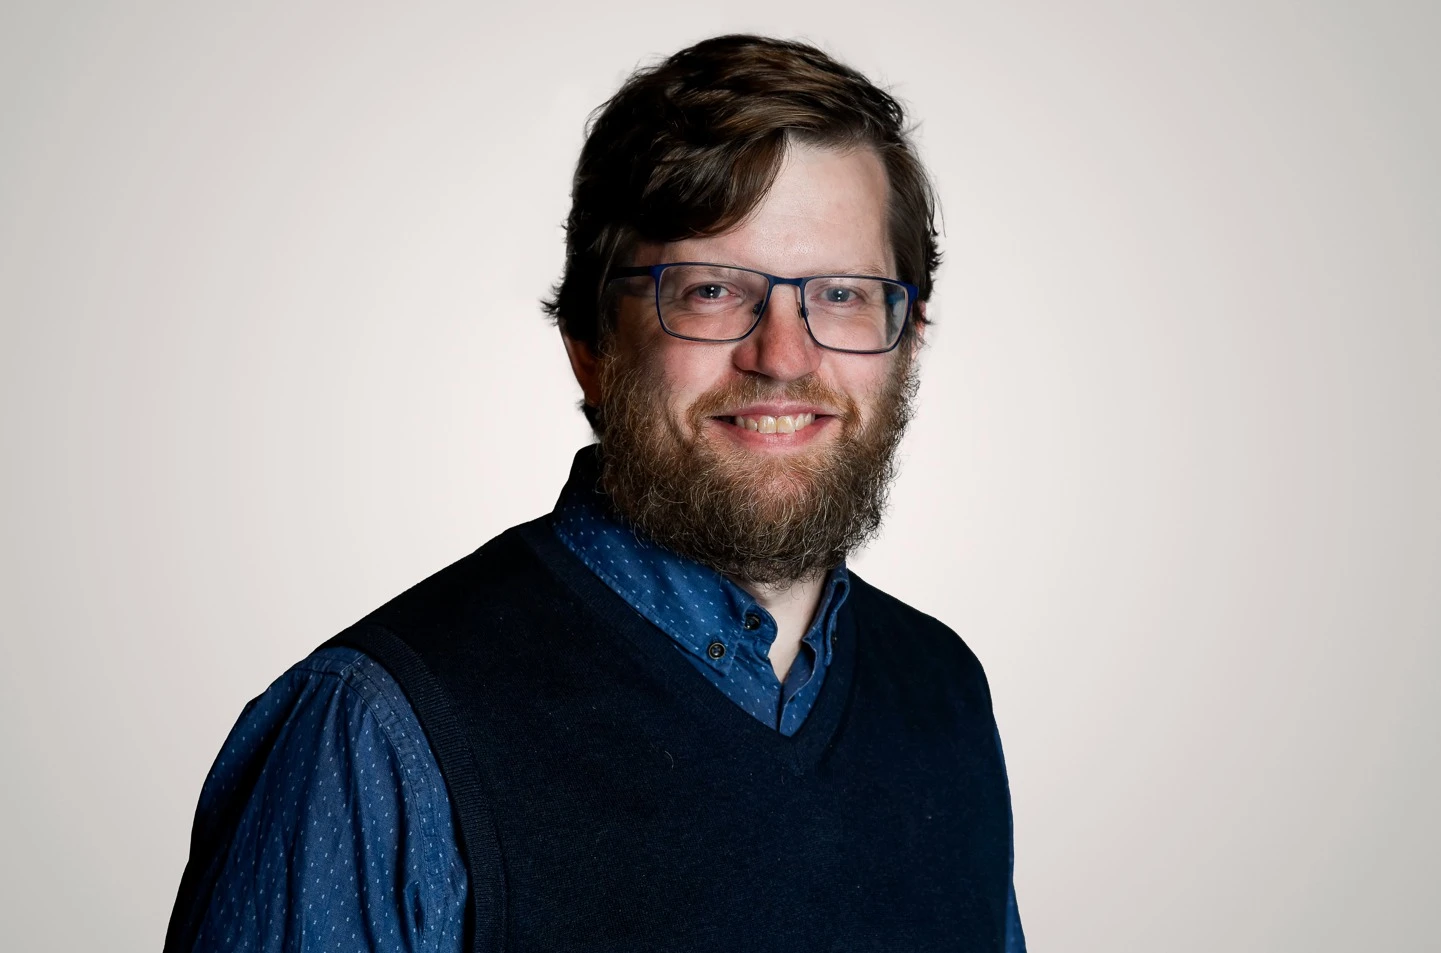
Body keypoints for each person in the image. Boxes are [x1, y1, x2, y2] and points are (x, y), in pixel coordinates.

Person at [166, 34, 1025, 953]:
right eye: (710, 290)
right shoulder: (379, 731)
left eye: (844, 295)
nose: (783, 355)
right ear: (590, 344)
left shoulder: (940, 694)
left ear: (909, 337)